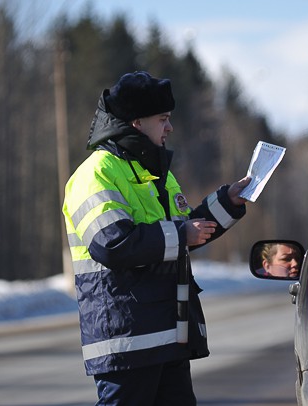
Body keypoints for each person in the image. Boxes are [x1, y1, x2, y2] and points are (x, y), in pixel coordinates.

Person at [62, 71, 251, 405]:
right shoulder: (94, 174)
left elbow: (186, 233)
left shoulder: (151, 172)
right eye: (163, 119)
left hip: (167, 336)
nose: (170, 127)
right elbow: (113, 244)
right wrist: (182, 234)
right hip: (127, 343)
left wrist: (227, 202)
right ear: (137, 123)